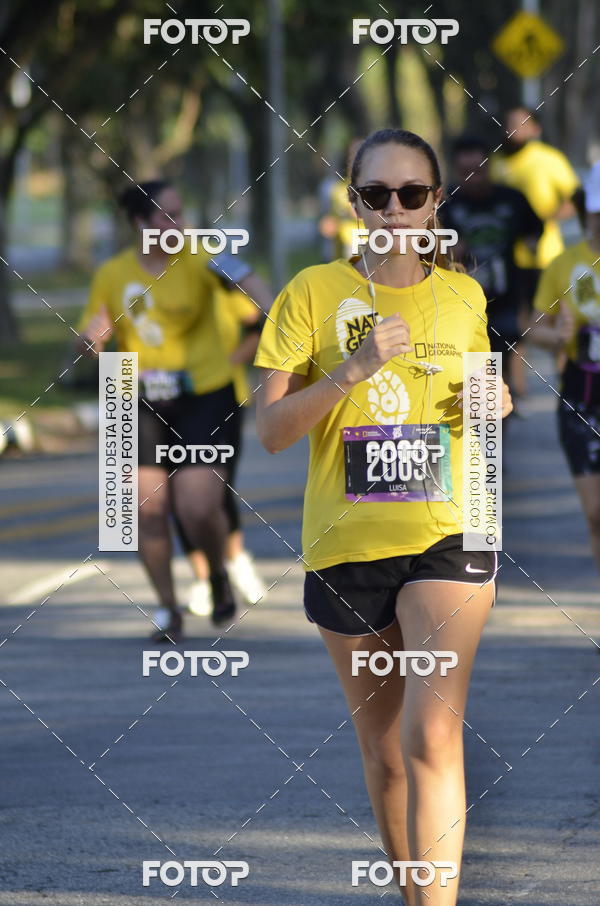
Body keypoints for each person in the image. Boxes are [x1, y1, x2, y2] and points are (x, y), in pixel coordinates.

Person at [254, 129, 512, 905]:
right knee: (385, 753)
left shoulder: (464, 295)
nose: (395, 210)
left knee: (431, 734)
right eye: (377, 195)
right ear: (353, 201)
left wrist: (494, 402)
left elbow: (483, 397)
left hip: (449, 535)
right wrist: (353, 368)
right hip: (345, 546)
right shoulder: (310, 292)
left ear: (437, 202)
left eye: (412, 194)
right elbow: (271, 431)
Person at [77, 180, 272, 642]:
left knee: (197, 504)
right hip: (131, 394)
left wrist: (256, 296)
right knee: (144, 511)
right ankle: (167, 609)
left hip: (205, 393)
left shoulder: (204, 253)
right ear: (140, 224)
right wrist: (91, 340)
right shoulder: (112, 274)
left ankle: (218, 575)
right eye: (166, 216)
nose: (177, 224)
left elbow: (257, 289)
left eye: (180, 213)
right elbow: (87, 342)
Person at [174, 283, 267, 617]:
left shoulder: (210, 279)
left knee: (214, 488)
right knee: (176, 494)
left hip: (218, 399)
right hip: (161, 403)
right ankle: (204, 577)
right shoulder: (131, 280)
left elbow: (259, 326)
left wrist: (229, 362)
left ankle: (237, 560)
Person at [529, 161, 600, 571]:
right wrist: (557, 335)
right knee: (596, 514)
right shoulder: (563, 263)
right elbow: (535, 326)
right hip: (582, 396)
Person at [492, 107, 580, 398]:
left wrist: (547, 220)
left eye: (521, 124)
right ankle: (517, 389)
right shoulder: (498, 164)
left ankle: (567, 384)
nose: (514, 130)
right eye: (510, 124)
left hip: (546, 257)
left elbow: (573, 197)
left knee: (553, 323)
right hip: (509, 261)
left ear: (535, 129)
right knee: (516, 326)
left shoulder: (549, 160)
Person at [442, 135, 543, 391]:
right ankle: (480, 424)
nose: (474, 178)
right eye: (466, 172)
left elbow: (535, 228)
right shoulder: (444, 204)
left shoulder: (511, 198)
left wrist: (531, 245)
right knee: (471, 365)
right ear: (455, 170)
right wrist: (449, 251)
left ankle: (498, 421)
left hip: (506, 295)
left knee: (500, 367)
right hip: (459, 299)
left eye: (479, 171)